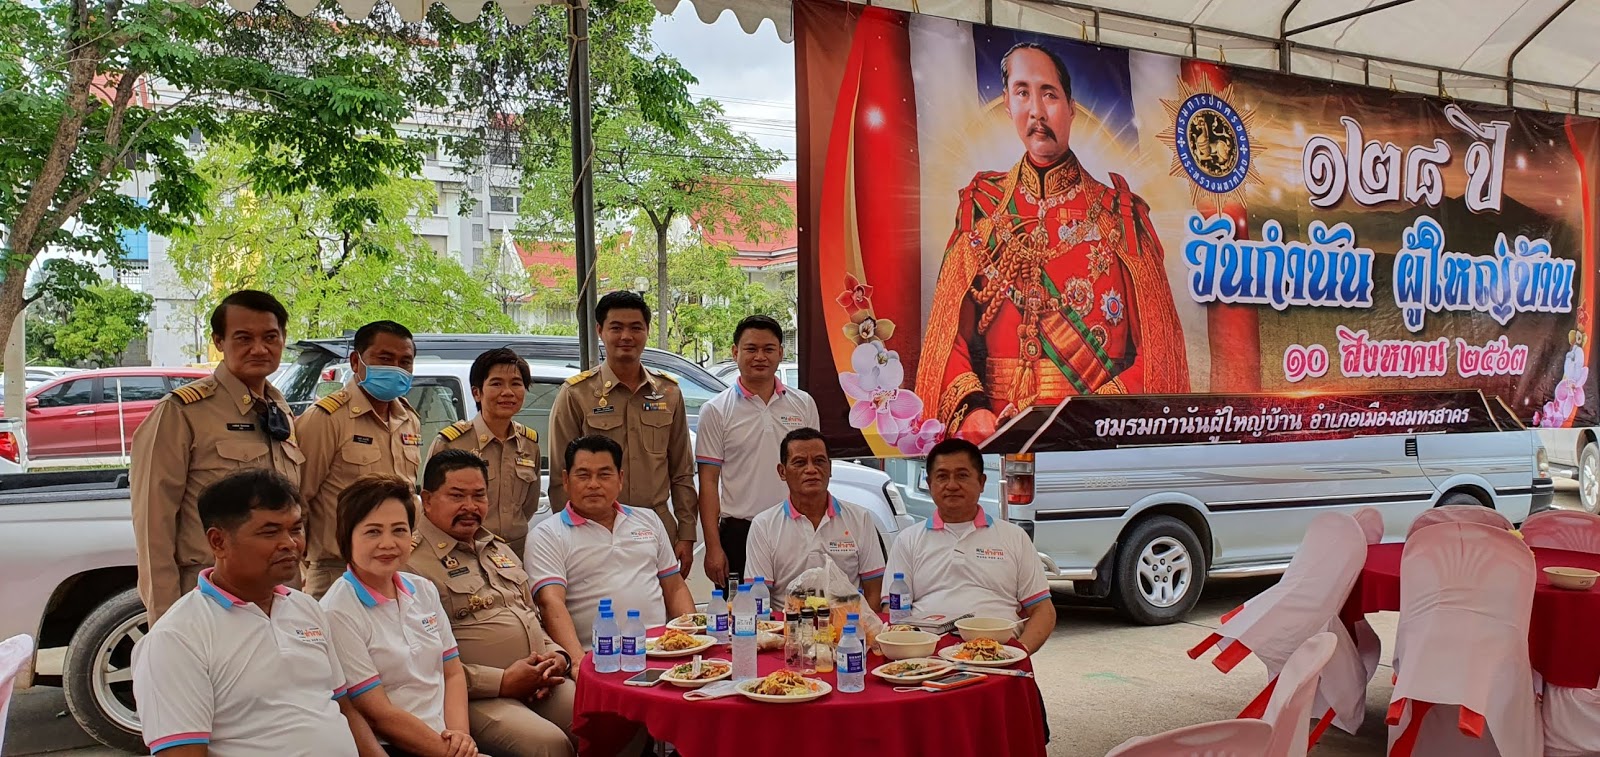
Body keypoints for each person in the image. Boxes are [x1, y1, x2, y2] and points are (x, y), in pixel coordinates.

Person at [914, 42, 1189, 443]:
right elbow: (948, 340)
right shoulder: (983, 209)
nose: (1037, 112)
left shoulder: (1120, 216)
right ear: (1008, 105)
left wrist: (1092, 418)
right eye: (1022, 93)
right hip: (997, 438)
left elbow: (1159, 356)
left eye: (1049, 94)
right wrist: (973, 410)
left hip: (1091, 443)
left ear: (1071, 107)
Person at [132, 469, 383, 756]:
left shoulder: (306, 608)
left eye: (296, 529)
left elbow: (343, 708)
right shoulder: (177, 638)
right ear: (218, 542)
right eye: (270, 532)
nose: (290, 543)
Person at [131, 290, 305, 624]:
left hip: (279, 593)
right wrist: (166, 618)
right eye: (244, 338)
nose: (259, 348)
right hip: (212, 593)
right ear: (218, 341)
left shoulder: (279, 409)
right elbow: (153, 526)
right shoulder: (182, 412)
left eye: (270, 337)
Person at [408, 449, 575, 757]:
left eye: (479, 495)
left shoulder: (497, 548)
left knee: (607, 715)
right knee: (548, 745)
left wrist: (557, 657)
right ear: (427, 500)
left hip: (541, 680)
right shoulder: (411, 564)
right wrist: (503, 682)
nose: (470, 506)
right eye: (457, 496)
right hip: (476, 696)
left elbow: (530, 617)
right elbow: (420, 665)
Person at [322, 475, 477, 757]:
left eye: (399, 530)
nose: (388, 543)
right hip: (395, 745)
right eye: (373, 532)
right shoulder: (338, 610)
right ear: (346, 537)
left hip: (448, 738)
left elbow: (452, 673)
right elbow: (377, 713)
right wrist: (451, 752)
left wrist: (460, 738)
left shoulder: (423, 589)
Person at [547, 291, 696, 575]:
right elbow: (560, 476)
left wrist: (686, 533)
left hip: (656, 527)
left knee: (661, 600)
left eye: (635, 327)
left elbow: (681, 472)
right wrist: (571, 534)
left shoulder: (668, 392)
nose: (626, 336)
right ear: (600, 331)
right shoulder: (576, 394)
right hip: (596, 529)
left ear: (647, 331)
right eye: (616, 328)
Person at [526, 435, 697, 659]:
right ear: (566, 480)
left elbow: (674, 588)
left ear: (620, 479)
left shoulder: (648, 520)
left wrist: (693, 641)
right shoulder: (547, 535)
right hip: (599, 658)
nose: (593, 484)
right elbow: (551, 604)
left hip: (661, 649)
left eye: (604, 475)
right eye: (583, 475)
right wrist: (578, 664)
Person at [884, 438, 1055, 653]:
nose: (952, 485)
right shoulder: (907, 540)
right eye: (942, 476)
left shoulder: (1014, 537)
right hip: (927, 654)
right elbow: (892, 610)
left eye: (962, 475)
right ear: (929, 483)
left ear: (982, 482)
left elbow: (1042, 610)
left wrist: (1019, 652)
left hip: (999, 651)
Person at [300, 321, 423, 597]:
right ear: (356, 361)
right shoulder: (326, 419)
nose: (396, 368)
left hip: (393, 569)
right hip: (336, 571)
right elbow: (299, 498)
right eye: (385, 359)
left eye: (405, 362)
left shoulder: (408, 419)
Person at [694, 315, 819, 587]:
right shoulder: (716, 410)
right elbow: (708, 482)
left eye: (768, 349)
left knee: (801, 605)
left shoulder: (803, 404)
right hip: (740, 533)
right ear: (735, 352)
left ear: (780, 353)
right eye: (751, 349)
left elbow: (815, 469)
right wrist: (713, 548)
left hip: (794, 526)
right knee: (740, 610)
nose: (760, 357)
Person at [744, 428, 885, 607]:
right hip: (786, 622)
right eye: (800, 462)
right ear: (782, 472)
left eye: (819, 461)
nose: (811, 469)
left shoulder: (860, 519)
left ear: (830, 468)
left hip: (846, 622)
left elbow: (875, 591)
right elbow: (759, 599)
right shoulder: (763, 525)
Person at [428, 348, 542, 557]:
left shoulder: (529, 444)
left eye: (516, 383)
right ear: (477, 393)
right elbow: (432, 507)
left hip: (515, 553)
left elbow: (529, 506)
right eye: (497, 383)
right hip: (466, 552)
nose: (507, 392)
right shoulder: (451, 443)